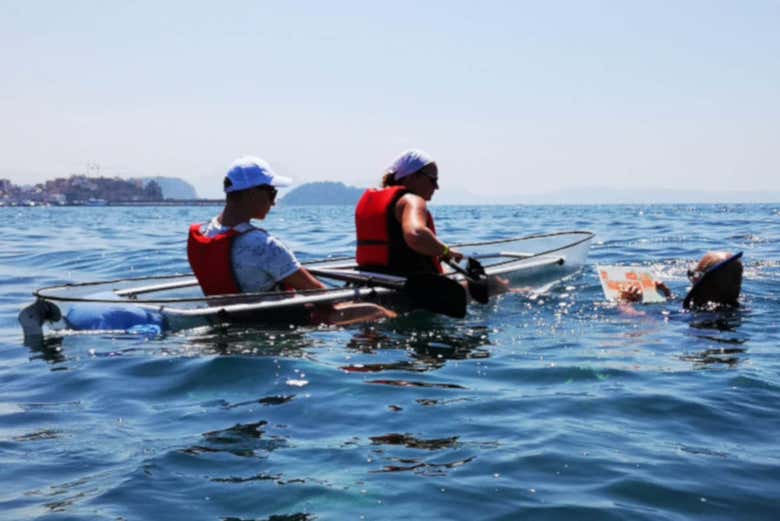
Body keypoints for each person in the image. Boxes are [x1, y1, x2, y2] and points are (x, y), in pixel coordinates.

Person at [187, 156, 395, 325]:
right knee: (377, 311)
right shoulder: (263, 245)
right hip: (280, 323)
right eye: (271, 192)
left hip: (230, 320)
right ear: (251, 193)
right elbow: (319, 294)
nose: (274, 201)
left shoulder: (203, 235)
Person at [355, 149, 464, 276]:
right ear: (412, 176)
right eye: (432, 179)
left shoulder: (370, 201)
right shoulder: (412, 200)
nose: (436, 186)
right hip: (408, 286)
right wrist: (446, 251)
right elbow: (416, 234)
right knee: (486, 284)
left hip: (373, 280)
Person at [620, 251, 743, 310]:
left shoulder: (698, 315)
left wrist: (625, 303)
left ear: (701, 281)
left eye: (693, 274)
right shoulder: (737, 308)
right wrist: (668, 296)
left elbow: (644, 322)